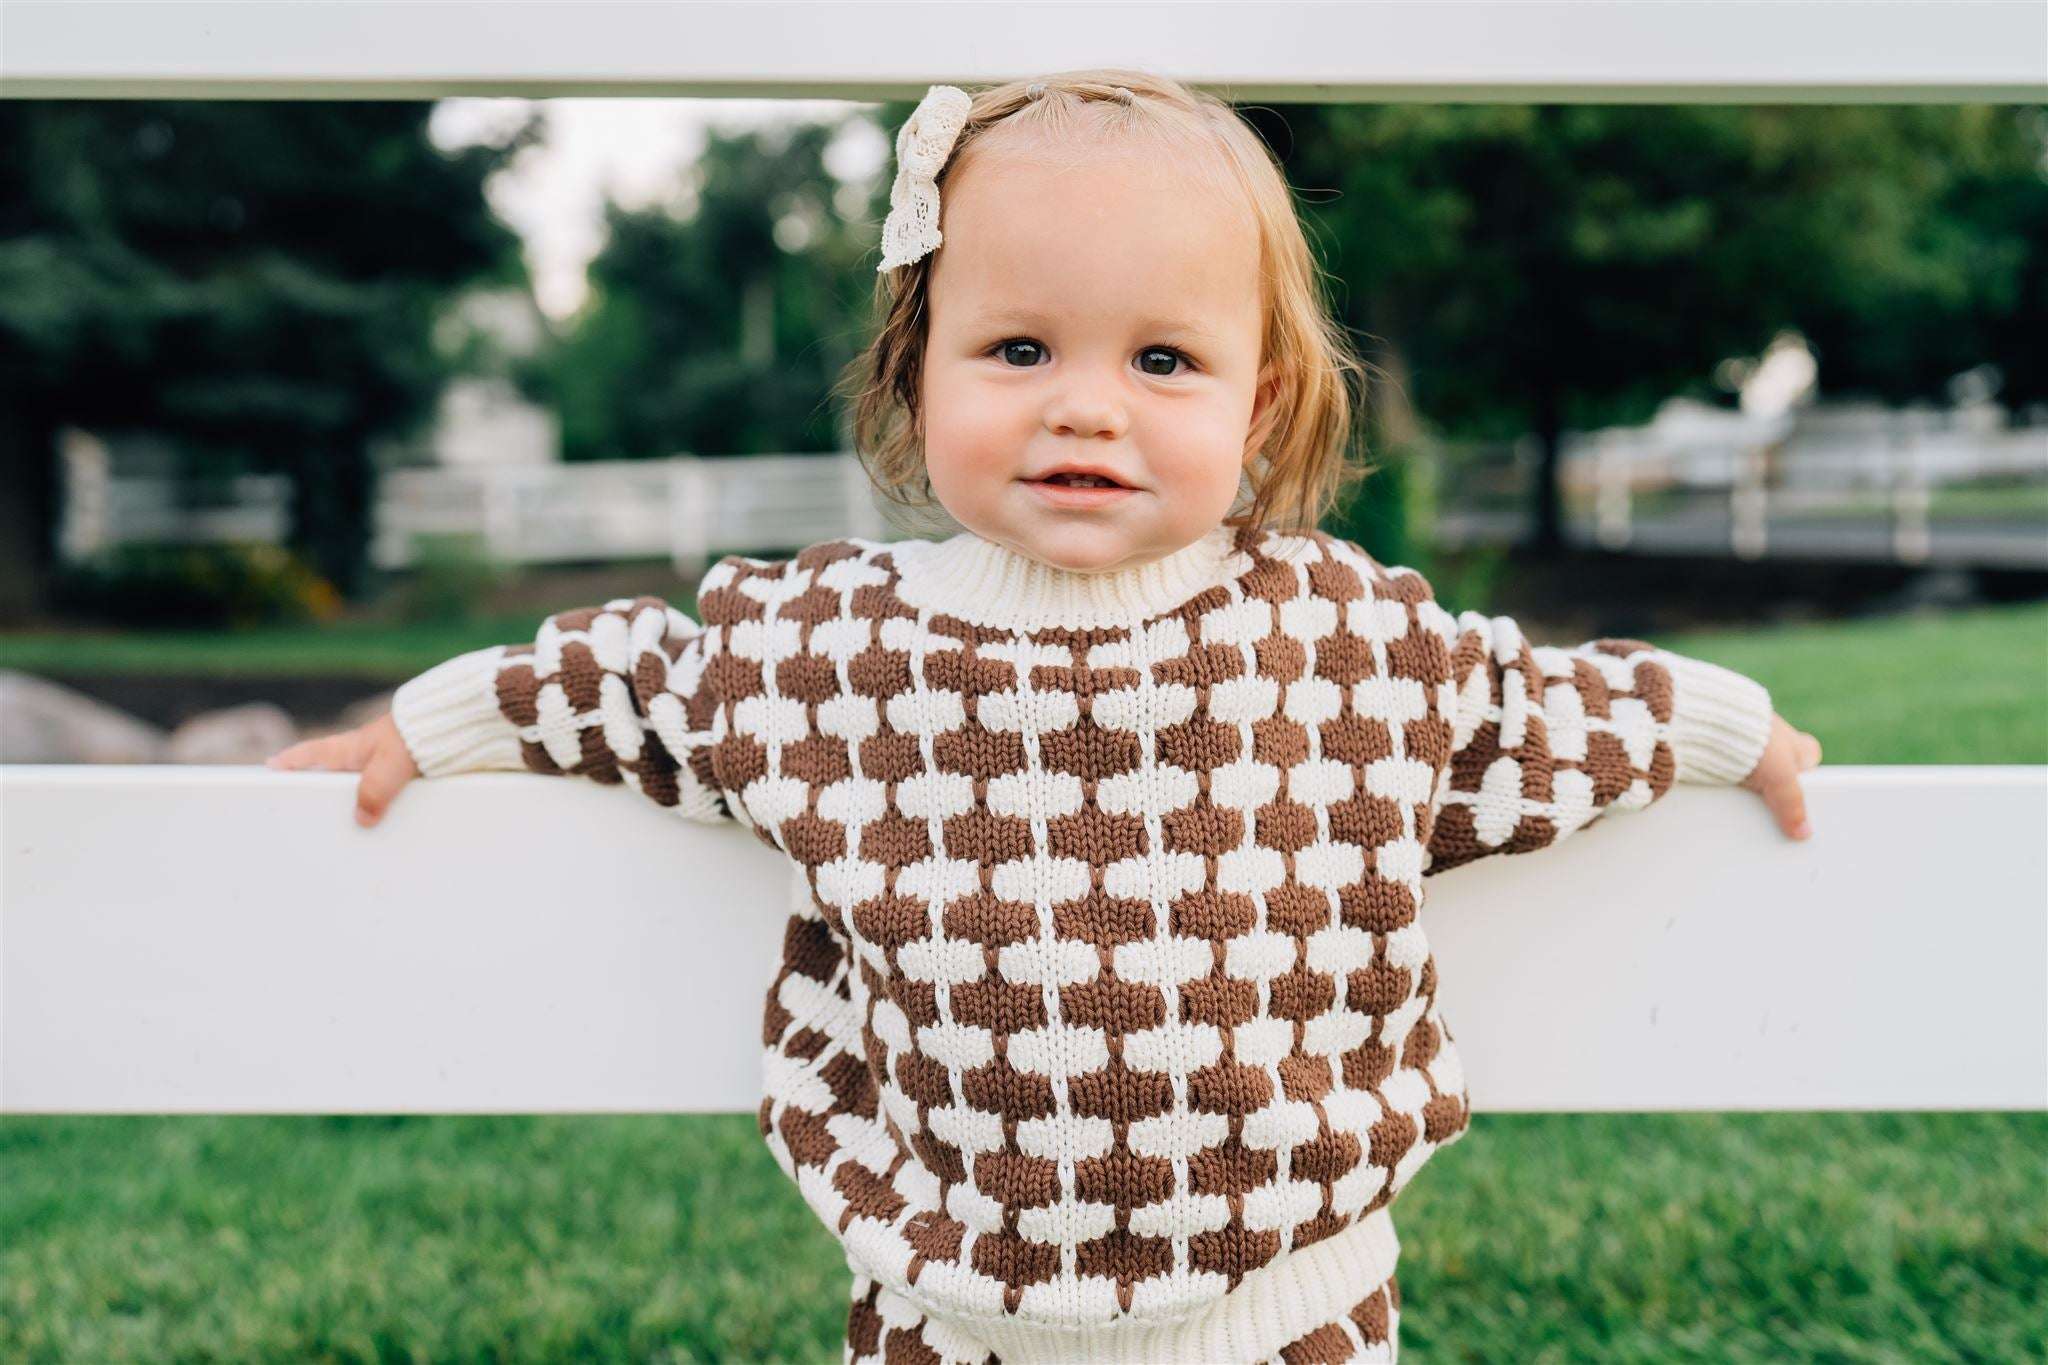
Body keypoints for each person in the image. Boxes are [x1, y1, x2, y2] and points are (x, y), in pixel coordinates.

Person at [270, 69, 1822, 1364]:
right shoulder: (833, 648)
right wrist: (440, 718)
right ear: (915, 369)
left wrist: (1725, 722)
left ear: (1258, 405)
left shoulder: (1334, 634)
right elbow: (640, 681)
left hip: (1297, 1305)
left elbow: (1519, 715)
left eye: (1163, 359)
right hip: (951, 1310)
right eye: (1018, 350)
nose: (1088, 404)